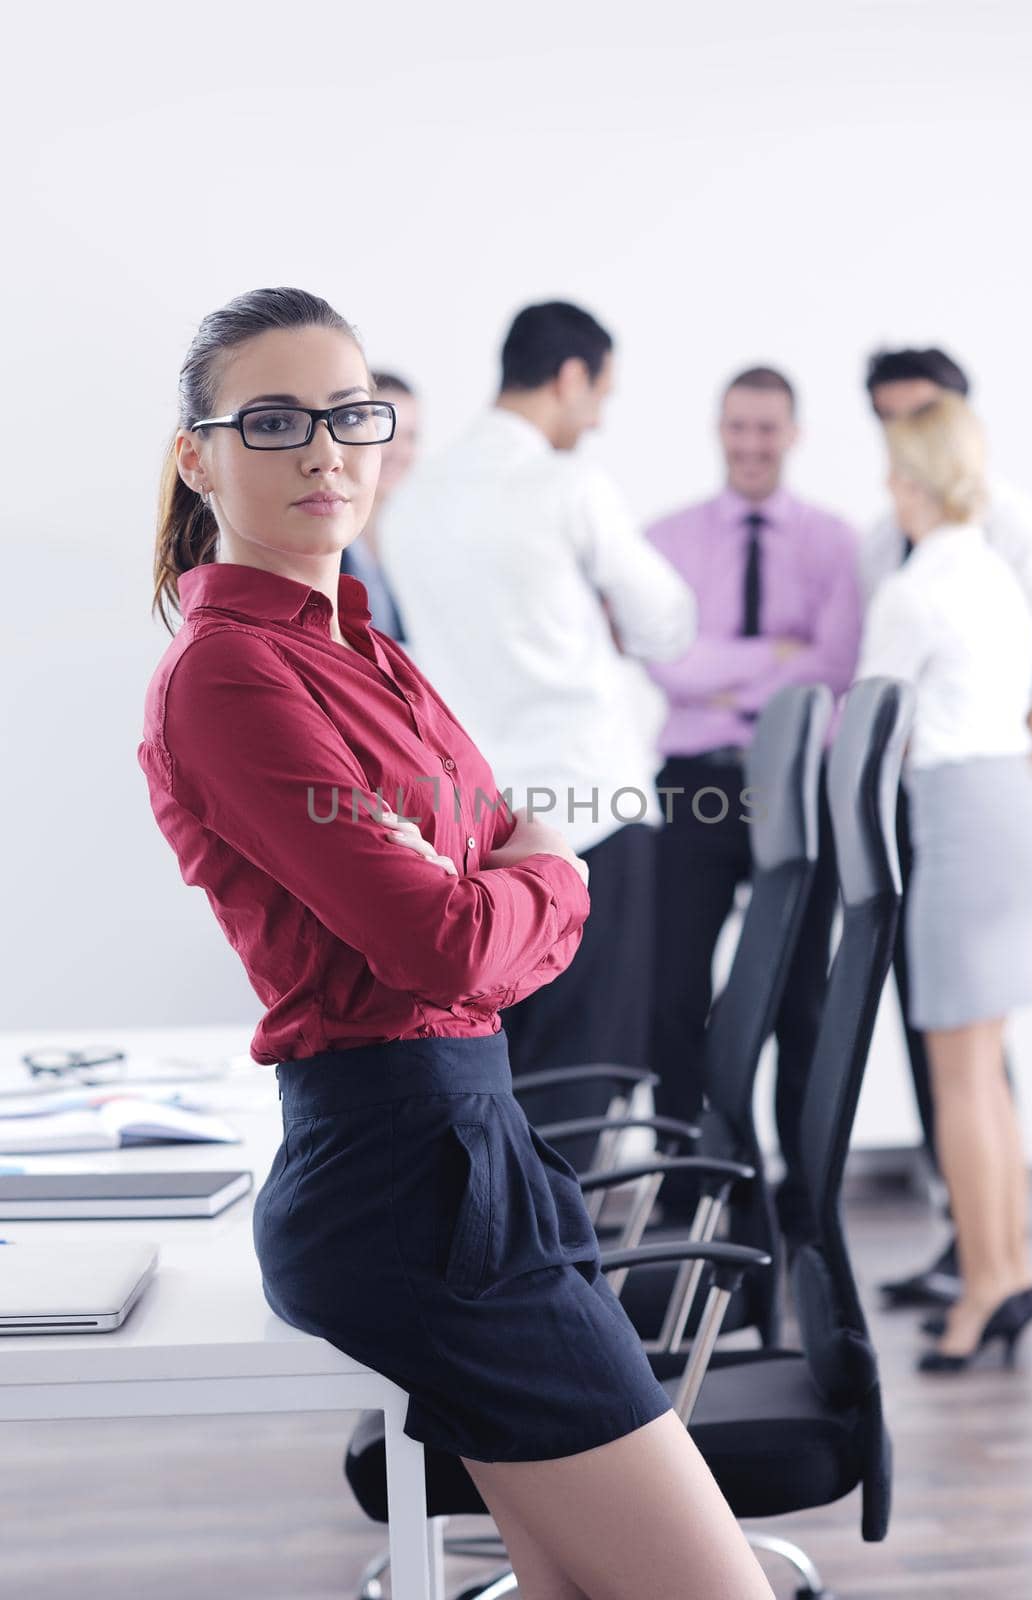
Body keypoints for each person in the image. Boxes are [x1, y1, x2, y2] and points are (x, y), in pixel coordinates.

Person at [137, 285, 773, 1600]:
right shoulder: (228, 672)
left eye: (348, 415)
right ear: (198, 456)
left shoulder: (368, 646)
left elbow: (497, 867)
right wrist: (525, 872)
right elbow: (448, 936)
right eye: (273, 420)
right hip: (404, 1184)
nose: (322, 448)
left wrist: (506, 874)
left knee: (573, 1587)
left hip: (480, 1158)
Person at [378, 301, 697, 1140]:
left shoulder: (410, 502)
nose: (597, 417)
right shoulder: (569, 485)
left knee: (496, 1069)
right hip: (595, 813)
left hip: (476, 828)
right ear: (568, 378)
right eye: (601, 395)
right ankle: (570, 1264)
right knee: (587, 1072)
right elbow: (667, 623)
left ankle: (504, 1257)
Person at [862, 347, 1032, 1310]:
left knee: (958, 1077)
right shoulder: (987, 569)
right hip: (1011, 814)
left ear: (916, 475)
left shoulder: (917, 587)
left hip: (957, 812)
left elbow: (869, 729)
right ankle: (1007, 1268)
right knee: (981, 1072)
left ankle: (985, 1281)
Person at [645, 366, 862, 1239]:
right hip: (695, 782)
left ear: (794, 433)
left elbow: (837, 665)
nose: (750, 445)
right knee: (671, 990)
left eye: (766, 429)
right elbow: (667, 664)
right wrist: (771, 659)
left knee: (799, 997)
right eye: (737, 427)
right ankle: (690, 1181)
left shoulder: (836, 543)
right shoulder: (663, 538)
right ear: (717, 428)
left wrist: (717, 669)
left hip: (794, 786)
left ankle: (803, 1190)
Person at [339, 368, 418, 639]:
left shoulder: (416, 540)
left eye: (411, 437)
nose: (400, 452)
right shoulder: (323, 541)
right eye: (385, 432)